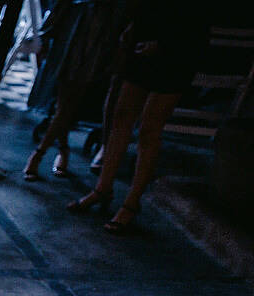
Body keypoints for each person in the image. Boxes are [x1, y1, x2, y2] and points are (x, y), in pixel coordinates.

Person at [67, 1, 211, 232]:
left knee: (149, 129)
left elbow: (196, 21)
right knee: (121, 117)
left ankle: (131, 203)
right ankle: (102, 189)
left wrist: (163, 44)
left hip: (177, 50)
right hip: (144, 40)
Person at [22, 0, 126, 181]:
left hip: (92, 37)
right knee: (64, 106)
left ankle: (40, 154)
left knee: (65, 107)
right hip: (72, 35)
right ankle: (60, 152)